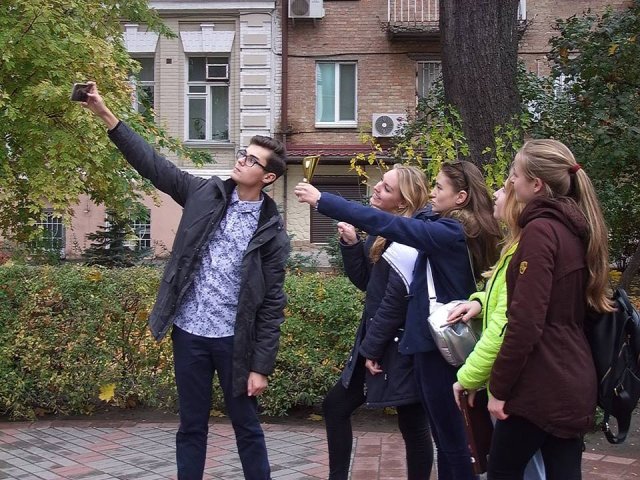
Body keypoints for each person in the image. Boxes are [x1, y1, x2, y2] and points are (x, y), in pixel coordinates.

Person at [82, 82, 290, 480]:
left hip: (234, 341)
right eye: (243, 153)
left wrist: (260, 367)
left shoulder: (272, 232)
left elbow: (271, 305)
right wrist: (106, 115)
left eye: (252, 160)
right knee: (191, 426)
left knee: (247, 427)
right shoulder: (204, 193)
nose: (242, 161)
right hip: (190, 332)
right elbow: (154, 166)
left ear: (267, 177)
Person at [295, 161, 501, 480]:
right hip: (427, 345)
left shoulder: (448, 232)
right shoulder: (444, 227)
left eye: (439, 187)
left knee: (450, 442)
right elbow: (374, 279)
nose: (433, 193)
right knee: (444, 437)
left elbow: (390, 234)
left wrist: (323, 200)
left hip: (433, 347)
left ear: (460, 197)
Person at [485, 139, 614, 480]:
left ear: (536, 184)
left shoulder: (541, 231)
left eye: (515, 175)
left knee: (502, 470)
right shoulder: (573, 229)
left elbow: (525, 321)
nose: (510, 182)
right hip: (572, 378)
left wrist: (499, 387)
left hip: (541, 384)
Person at [323, 164, 433, 480]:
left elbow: (394, 303)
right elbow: (369, 285)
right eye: (380, 183)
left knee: (413, 422)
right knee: (336, 407)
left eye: (386, 187)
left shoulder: (410, 237)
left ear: (402, 201)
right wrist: (351, 244)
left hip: (398, 345)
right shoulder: (382, 230)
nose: (376, 189)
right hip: (378, 339)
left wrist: (371, 349)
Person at [449, 177, 546, 480]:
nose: (495, 193)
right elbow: (504, 297)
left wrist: (468, 376)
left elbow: (506, 324)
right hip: (520, 383)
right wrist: (479, 302)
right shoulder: (515, 245)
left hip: (518, 386)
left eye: (504, 189)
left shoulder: (524, 250)